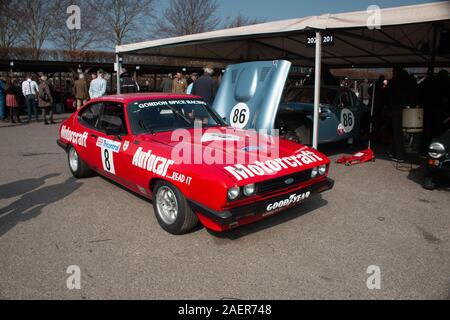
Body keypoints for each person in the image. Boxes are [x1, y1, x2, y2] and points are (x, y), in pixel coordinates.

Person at [386, 68, 418, 162]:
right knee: (402, 132)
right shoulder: (411, 80)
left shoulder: (394, 81)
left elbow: (388, 94)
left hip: (397, 109)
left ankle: (400, 156)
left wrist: (389, 107)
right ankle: (391, 151)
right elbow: (416, 94)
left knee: (398, 132)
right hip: (409, 109)